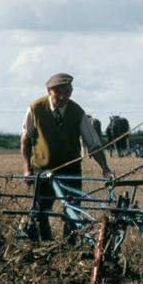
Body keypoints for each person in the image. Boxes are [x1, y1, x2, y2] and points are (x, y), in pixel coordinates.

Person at [21, 73, 112, 241]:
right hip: (43, 168)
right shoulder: (35, 109)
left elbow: (93, 144)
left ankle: (69, 248)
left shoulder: (77, 112)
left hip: (70, 169)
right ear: (49, 91)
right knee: (41, 210)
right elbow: (26, 140)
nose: (63, 97)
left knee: (72, 211)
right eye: (58, 93)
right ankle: (46, 244)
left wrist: (105, 168)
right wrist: (27, 170)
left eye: (67, 93)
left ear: (71, 91)